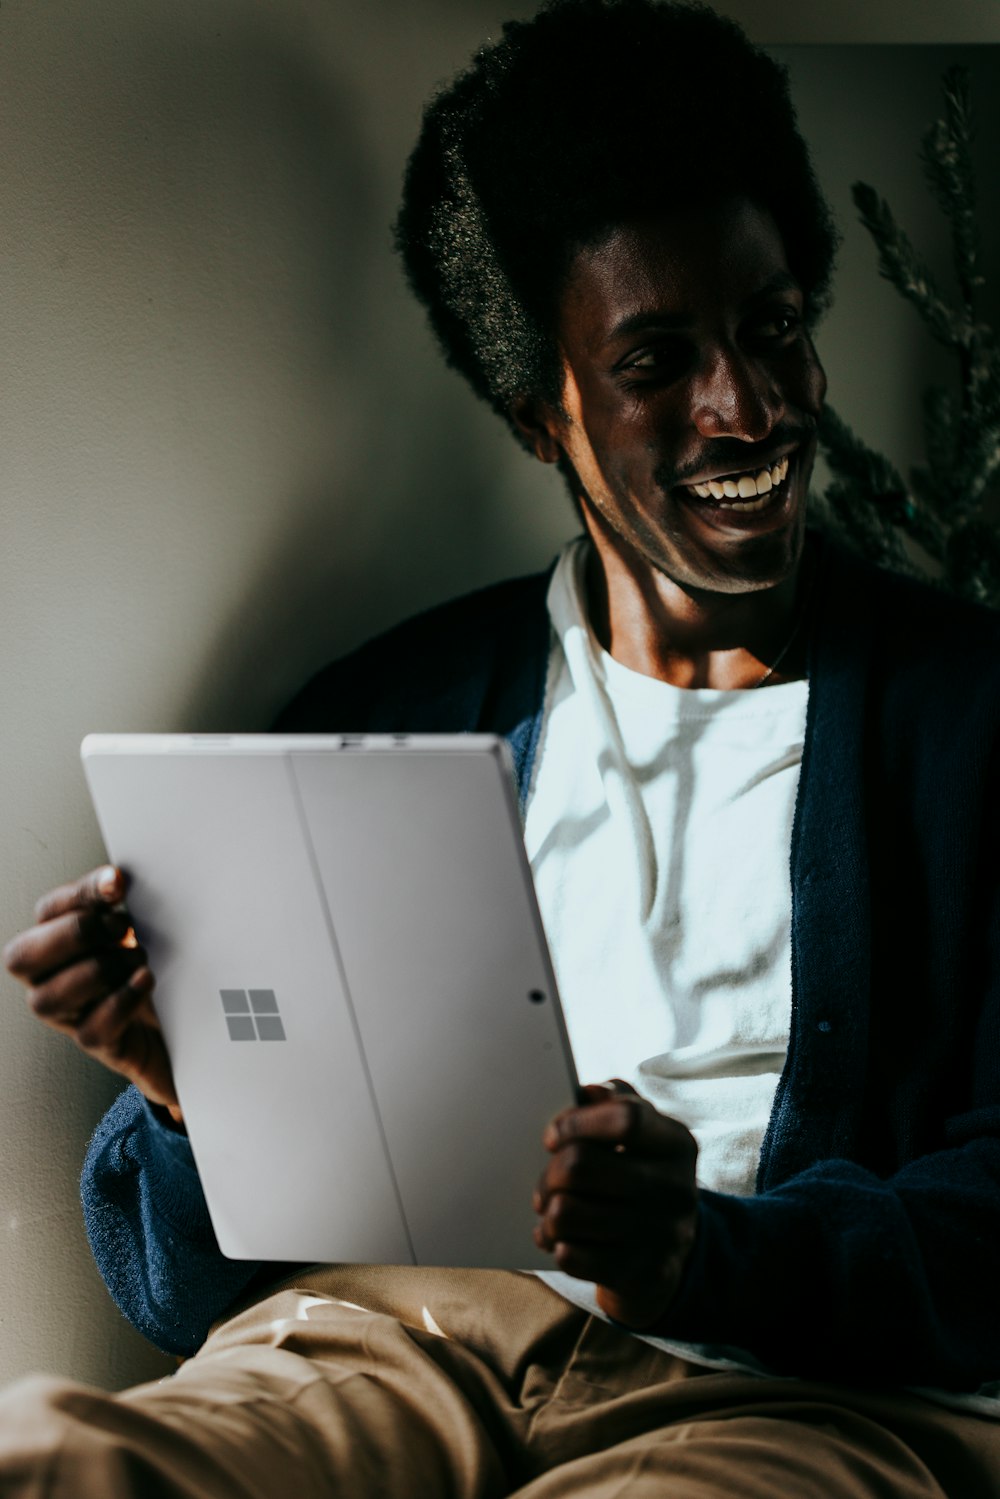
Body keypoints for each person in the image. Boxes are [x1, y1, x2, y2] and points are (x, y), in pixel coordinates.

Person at [2, 1, 1000, 1494]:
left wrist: (701, 1257)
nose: (749, 403)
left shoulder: (969, 723)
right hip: (381, 1342)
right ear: (541, 414)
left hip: (784, 1397)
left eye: (773, 326)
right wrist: (193, 1096)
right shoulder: (385, 711)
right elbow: (174, 1297)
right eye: (657, 361)